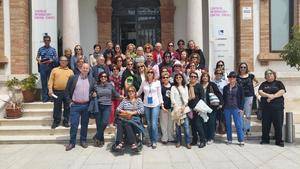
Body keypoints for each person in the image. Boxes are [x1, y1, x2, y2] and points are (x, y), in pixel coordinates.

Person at [65, 63, 95, 151]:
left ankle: (83, 141)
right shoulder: (73, 78)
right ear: (80, 68)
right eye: (84, 68)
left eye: (87, 68)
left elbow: (94, 90)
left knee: (84, 124)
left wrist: (94, 93)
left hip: (86, 105)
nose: (85, 69)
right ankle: (72, 142)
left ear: (89, 70)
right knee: (74, 124)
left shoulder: (92, 79)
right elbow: (66, 91)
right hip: (75, 105)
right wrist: (69, 102)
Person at [93, 72, 122, 147]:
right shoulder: (96, 86)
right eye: (102, 76)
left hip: (107, 106)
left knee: (105, 122)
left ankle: (96, 136)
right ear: (99, 77)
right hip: (98, 106)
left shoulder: (110, 85)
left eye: (105, 76)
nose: (103, 78)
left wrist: (122, 97)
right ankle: (100, 141)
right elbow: (91, 94)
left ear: (107, 78)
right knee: (99, 125)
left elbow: (115, 94)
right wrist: (92, 94)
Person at [258, 69, 286, 147]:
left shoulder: (279, 83)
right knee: (265, 125)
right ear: (265, 77)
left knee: (278, 125)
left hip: (277, 108)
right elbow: (260, 92)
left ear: (274, 75)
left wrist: (273, 96)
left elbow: (282, 91)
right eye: (267, 74)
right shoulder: (263, 84)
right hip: (266, 108)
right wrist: (268, 95)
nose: (269, 75)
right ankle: (265, 140)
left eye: (270, 74)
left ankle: (279, 141)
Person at [137, 68, 164, 149]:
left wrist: (161, 104)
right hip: (146, 105)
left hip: (155, 104)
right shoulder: (144, 82)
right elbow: (139, 92)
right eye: (148, 72)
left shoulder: (157, 82)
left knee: (154, 124)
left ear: (153, 74)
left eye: (151, 72)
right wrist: (130, 96)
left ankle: (154, 141)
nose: (150, 73)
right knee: (149, 124)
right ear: (146, 73)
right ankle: (150, 139)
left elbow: (159, 94)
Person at [114, 86, 144, 152]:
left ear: (135, 92)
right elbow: (118, 108)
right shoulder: (125, 100)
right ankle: (130, 143)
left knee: (126, 123)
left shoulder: (138, 100)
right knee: (120, 122)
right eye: (129, 91)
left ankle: (123, 143)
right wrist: (125, 112)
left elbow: (142, 110)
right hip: (124, 117)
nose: (131, 92)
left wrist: (132, 113)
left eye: (132, 91)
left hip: (134, 118)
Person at [48, 56, 74, 129]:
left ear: (67, 62)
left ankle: (65, 121)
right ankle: (56, 121)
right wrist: (50, 89)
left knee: (67, 107)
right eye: (62, 60)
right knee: (57, 107)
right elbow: (51, 80)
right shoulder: (54, 70)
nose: (63, 62)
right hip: (57, 92)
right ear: (59, 61)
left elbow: (73, 83)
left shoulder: (70, 71)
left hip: (67, 93)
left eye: (65, 60)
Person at [200, 72, 223, 144]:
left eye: (206, 76)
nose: (205, 77)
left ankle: (211, 138)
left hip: (212, 107)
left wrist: (221, 103)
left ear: (208, 78)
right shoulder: (200, 85)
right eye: (203, 76)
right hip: (203, 107)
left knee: (211, 122)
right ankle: (206, 137)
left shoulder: (212, 85)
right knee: (204, 122)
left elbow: (218, 93)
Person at [223, 71, 245, 146]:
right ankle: (229, 139)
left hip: (236, 108)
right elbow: (223, 98)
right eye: (230, 77)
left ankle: (241, 140)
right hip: (227, 108)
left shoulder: (240, 87)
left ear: (236, 78)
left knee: (238, 124)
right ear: (228, 78)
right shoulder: (225, 88)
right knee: (228, 125)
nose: (232, 78)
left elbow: (242, 99)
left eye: (233, 77)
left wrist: (241, 109)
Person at [237, 62, 259, 135]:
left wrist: (253, 87)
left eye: (244, 67)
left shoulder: (251, 76)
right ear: (239, 68)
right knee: (241, 113)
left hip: (249, 96)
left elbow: (257, 82)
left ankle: (247, 129)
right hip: (240, 96)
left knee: (248, 113)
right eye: (241, 67)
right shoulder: (237, 77)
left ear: (246, 68)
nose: (243, 68)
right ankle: (242, 128)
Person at [170, 73, 191, 149]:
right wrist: (176, 107)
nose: (178, 78)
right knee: (178, 127)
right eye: (177, 77)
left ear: (182, 78)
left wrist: (183, 106)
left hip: (184, 109)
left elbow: (187, 98)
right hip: (176, 109)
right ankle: (178, 141)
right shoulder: (173, 87)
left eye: (180, 77)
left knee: (186, 127)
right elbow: (172, 98)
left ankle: (188, 142)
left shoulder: (185, 87)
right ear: (175, 79)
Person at [36, 34, 58, 102]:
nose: (46, 42)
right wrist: (39, 60)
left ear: (50, 41)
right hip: (43, 67)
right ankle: (45, 98)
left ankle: (51, 97)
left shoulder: (53, 49)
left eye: (48, 40)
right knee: (44, 82)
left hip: (50, 66)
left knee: (50, 82)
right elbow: (37, 57)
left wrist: (52, 60)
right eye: (45, 40)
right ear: (44, 41)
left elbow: (56, 57)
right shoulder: (41, 49)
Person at [187, 72, 206, 148]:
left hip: (197, 108)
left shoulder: (199, 86)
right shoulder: (187, 86)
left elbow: (202, 97)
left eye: (195, 77)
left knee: (198, 125)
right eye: (191, 76)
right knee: (193, 125)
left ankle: (202, 141)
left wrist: (200, 108)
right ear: (189, 77)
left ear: (197, 78)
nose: (193, 78)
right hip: (190, 109)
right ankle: (194, 140)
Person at [160, 72, 175, 144]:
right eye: (164, 77)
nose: (165, 79)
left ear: (169, 78)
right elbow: (159, 97)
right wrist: (162, 106)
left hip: (171, 107)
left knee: (171, 123)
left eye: (167, 77)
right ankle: (164, 138)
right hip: (163, 108)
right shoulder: (160, 87)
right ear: (162, 79)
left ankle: (171, 137)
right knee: (164, 123)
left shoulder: (172, 86)